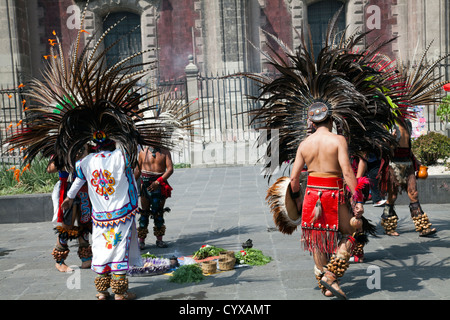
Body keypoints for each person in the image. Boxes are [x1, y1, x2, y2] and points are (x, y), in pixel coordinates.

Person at [290, 104, 365, 300]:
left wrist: (296, 200)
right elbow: (347, 171)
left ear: (312, 123)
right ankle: (331, 276)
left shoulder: (304, 144)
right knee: (350, 233)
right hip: (334, 194)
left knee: (317, 241)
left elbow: (293, 179)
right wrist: (357, 198)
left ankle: (325, 283)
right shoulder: (338, 140)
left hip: (311, 196)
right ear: (331, 120)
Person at [61, 136, 142, 300]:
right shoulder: (121, 156)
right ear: (113, 143)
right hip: (121, 213)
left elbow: (79, 180)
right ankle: (120, 292)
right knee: (118, 247)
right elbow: (137, 148)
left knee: (100, 247)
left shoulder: (87, 161)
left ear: (95, 146)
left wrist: (69, 197)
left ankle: (102, 291)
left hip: (100, 216)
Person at [380, 120, 437, 237]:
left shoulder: (407, 123)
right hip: (393, 163)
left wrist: (416, 161)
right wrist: (390, 140)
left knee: (414, 193)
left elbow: (407, 147)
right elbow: (382, 148)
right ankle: (389, 226)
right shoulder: (388, 123)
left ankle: (423, 227)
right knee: (392, 196)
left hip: (408, 162)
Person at [48, 150, 92, 273]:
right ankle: (60, 261)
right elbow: (50, 169)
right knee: (67, 226)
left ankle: (86, 259)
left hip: (84, 189)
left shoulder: (88, 147)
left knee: (85, 224)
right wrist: (67, 158)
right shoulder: (61, 149)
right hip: (67, 189)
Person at [134, 146, 174, 249]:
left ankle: (159, 240)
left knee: (158, 212)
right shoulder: (143, 152)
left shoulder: (165, 151)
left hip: (159, 184)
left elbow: (170, 169)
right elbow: (138, 170)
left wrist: (158, 181)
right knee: (144, 212)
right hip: (145, 185)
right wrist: (131, 183)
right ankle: (141, 241)